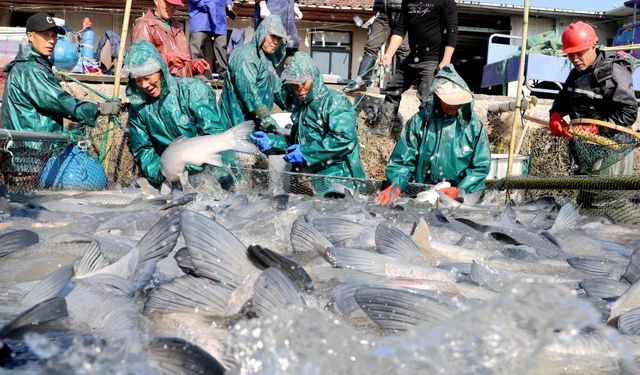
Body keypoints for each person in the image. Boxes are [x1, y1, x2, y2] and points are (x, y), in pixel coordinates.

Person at [249, 52, 366, 197]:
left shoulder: (334, 101)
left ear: (314, 78)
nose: (300, 90)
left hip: (339, 181)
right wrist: (271, 142)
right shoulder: (303, 107)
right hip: (309, 181)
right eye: (294, 86)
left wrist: (306, 153)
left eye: (304, 83)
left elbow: (344, 140)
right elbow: (297, 142)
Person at [378, 65, 490, 206]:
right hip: (425, 191)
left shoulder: (474, 126)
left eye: (457, 101)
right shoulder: (419, 122)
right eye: (449, 101)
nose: (454, 106)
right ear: (436, 97)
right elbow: (402, 162)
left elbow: (480, 167)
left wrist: (460, 189)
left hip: (462, 194)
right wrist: (396, 186)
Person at [124, 39, 228, 188]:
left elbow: (214, 133)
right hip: (173, 178)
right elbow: (144, 150)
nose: (145, 85)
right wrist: (164, 173)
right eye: (138, 81)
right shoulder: (139, 110)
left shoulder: (192, 91)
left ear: (161, 71)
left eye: (147, 78)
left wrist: (201, 159)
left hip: (213, 171)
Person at [2, 12, 121, 132]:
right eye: (45, 35)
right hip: (31, 146)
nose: (51, 41)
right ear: (30, 36)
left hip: (36, 141)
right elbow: (58, 100)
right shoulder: (29, 68)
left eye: (54, 36)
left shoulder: (35, 64)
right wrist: (98, 109)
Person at [549, 21, 638, 179]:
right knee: (585, 198)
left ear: (593, 46)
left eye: (579, 53)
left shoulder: (614, 73)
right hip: (585, 150)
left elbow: (628, 112)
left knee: (608, 200)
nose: (575, 59)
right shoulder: (576, 72)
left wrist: (598, 128)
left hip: (612, 151)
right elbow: (565, 96)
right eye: (570, 55)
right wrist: (555, 113)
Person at [374, 0, 459, 138]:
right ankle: (382, 132)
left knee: (427, 99)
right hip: (413, 57)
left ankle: (427, 137)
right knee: (393, 90)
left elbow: (452, 29)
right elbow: (400, 29)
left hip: (433, 59)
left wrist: (446, 60)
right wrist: (389, 54)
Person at [219, 15, 288, 132]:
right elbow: (250, 94)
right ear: (262, 33)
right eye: (272, 36)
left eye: (279, 38)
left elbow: (278, 91)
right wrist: (268, 122)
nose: (276, 42)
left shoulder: (266, 60)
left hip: (256, 125)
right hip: (235, 124)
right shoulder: (245, 56)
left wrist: (300, 105)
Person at [343, 0, 410, 93]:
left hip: (403, 11)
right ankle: (361, 82)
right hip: (383, 11)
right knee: (371, 46)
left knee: (403, 50)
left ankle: (401, 85)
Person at [132, 0, 210, 78]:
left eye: (174, 4)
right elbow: (139, 62)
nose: (171, 7)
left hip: (178, 85)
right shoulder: (144, 25)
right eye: (168, 3)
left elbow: (182, 65)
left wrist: (193, 66)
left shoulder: (177, 27)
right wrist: (167, 59)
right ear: (156, 1)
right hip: (159, 86)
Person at [187, 0, 233, 79]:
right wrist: (205, 4)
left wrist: (228, 3)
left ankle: (224, 76)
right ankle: (197, 74)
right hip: (200, 13)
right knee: (196, 46)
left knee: (221, 46)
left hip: (219, 13)